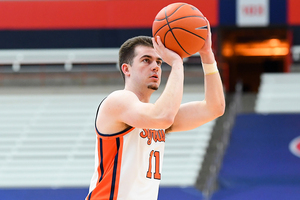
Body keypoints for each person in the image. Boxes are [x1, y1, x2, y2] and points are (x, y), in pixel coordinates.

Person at [86, 19, 225, 200]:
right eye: (146, 60)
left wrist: (207, 55)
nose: (155, 67)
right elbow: (164, 116)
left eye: (159, 62)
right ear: (126, 69)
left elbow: (215, 108)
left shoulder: (154, 114)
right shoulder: (118, 100)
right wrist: (176, 64)